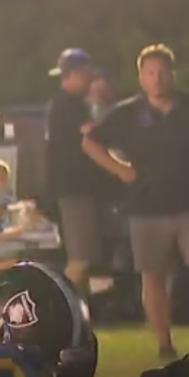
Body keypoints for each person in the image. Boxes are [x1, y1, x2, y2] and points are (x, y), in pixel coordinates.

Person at [83, 44, 189, 359]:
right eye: (150, 72)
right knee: (152, 279)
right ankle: (164, 345)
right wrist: (119, 169)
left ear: (173, 74)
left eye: (163, 71)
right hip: (146, 208)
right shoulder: (127, 113)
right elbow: (91, 141)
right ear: (141, 77)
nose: (158, 78)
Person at [46, 48, 107, 295]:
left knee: (83, 257)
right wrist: (98, 103)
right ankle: (61, 304)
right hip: (74, 189)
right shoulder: (66, 105)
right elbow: (92, 134)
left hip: (76, 188)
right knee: (80, 258)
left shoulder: (68, 104)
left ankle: (78, 313)